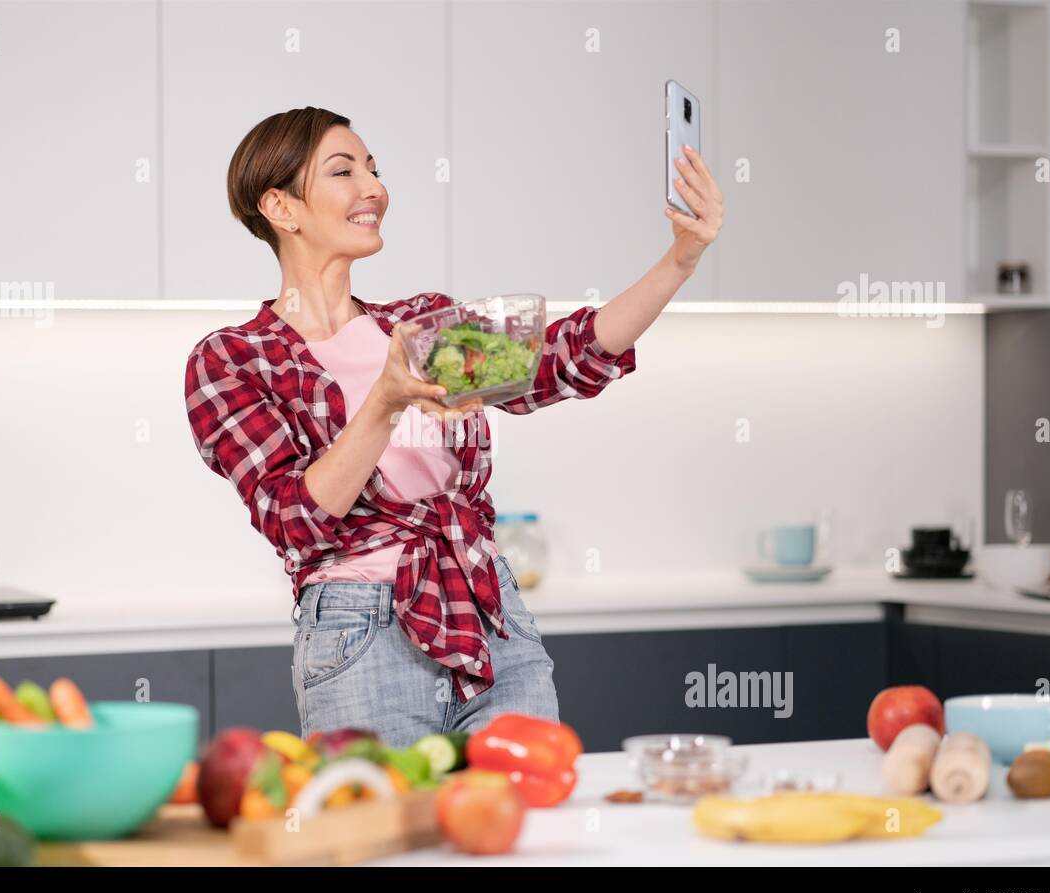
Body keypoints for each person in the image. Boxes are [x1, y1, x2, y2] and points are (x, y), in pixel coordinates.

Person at [185, 106, 722, 747]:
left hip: (488, 610)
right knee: (387, 835)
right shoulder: (235, 359)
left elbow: (566, 357)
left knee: (521, 827)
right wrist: (383, 402)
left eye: (375, 169)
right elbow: (296, 518)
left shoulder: (418, 327)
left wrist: (681, 260)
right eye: (343, 170)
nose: (374, 188)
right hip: (360, 638)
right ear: (280, 207)